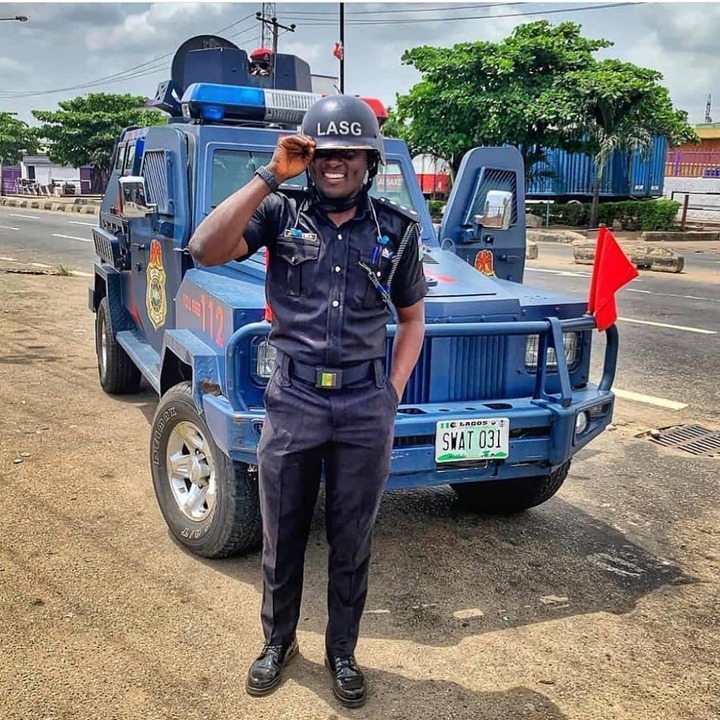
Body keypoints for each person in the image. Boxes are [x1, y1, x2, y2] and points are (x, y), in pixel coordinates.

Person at [188, 95, 427, 708]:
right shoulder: (278, 213)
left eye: (350, 154)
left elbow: (412, 319)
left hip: (363, 405)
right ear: (308, 156)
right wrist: (272, 170)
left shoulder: (397, 233)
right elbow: (203, 248)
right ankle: (278, 642)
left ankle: (342, 652)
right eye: (324, 152)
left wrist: (391, 393)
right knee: (282, 531)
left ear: (370, 162)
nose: (335, 164)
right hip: (293, 399)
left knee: (352, 537)